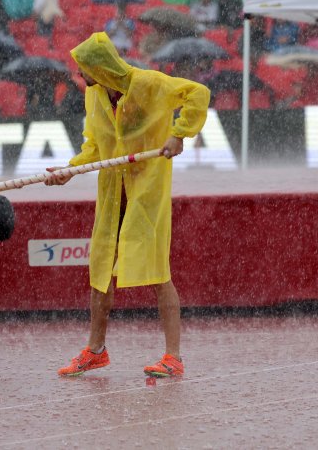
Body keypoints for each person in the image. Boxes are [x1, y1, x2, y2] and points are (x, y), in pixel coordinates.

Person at [46, 32, 210, 378]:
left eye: (83, 69)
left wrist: (179, 134)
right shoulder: (94, 96)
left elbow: (198, 93)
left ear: (100, 66)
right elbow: (94, 147)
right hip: (112, 191)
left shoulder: (149, 83)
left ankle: (173, 357)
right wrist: (69, 171)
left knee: (156, 270)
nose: (80, 76)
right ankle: (95, 350)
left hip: (145, 189)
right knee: (101, 270)